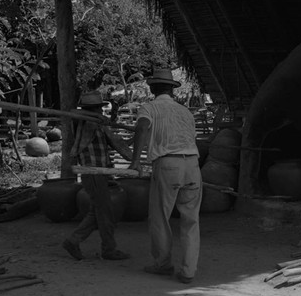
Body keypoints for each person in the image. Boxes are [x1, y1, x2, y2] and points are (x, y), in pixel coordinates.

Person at [129, 69, 202, 284]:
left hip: (168, 164)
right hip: (192, 164)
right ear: (172, 90)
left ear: (152, 89)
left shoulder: (149, 108)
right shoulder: (185, 112)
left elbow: (142, 128)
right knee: (191, 220)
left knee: (160, 217)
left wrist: (135, 160)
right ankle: (188, 271)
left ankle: (162, 264)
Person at [62, 91, 130, 261]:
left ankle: (73, 240)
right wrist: (95, 117)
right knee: (104, 210)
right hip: (92, 171)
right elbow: (74, 112)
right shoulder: (81, 121)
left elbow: (117, 144)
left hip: (102, 171)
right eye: (99, 109)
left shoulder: (100, 125)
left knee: (98, 210)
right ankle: (109, 249)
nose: (101, 112)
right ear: (92, 109)